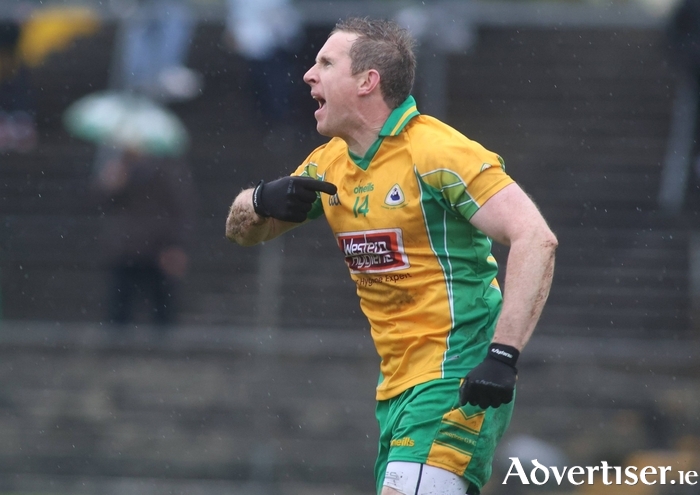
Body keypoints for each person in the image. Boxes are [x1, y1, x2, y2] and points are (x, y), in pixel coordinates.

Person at [225, 17, 557, 495]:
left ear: (367, 81)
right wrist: (257, 201)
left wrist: (503, 355)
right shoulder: (328, 164)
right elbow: (242, 234)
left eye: (325, 63)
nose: (307, 75)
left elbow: (535, 237)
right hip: (396, 390)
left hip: (454, 378)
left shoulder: (438, 151)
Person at [93, 147, 197, 330]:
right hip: (125, 250)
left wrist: (176, 245)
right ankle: (116, 352)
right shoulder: (118, 171)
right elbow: (101, 203)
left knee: (162, 310)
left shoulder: (167, 172)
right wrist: (111, 184)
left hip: (158, 250)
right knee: (119, 310)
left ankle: (162, 353)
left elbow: (180, 209)